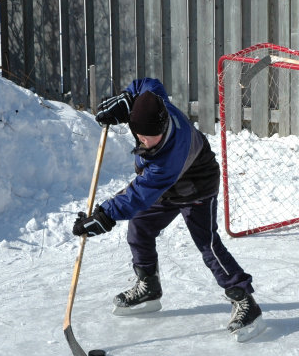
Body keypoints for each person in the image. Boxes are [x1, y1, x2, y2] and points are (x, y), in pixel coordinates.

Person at [71, 77, 262, 337]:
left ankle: (244, 300)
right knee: (139, 228)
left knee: (208, 244)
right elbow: (148, 84)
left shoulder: (170, 155)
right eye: (139, 136)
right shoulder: (156, 104)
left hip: (197, 186)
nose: (143, 141)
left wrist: (105, 215)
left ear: (163, 126)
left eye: (150, 137)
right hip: (166, 189)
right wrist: (127, 98)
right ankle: (148, 286)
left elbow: (139, 195)